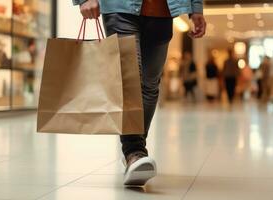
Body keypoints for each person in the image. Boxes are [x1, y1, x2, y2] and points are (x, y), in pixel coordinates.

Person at [72, 0, 206, 185]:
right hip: (119, 9)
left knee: (150, 85)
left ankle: (135, 152)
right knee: (130, 79)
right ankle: (134, 152)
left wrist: (196, 8)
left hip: (162, 11)